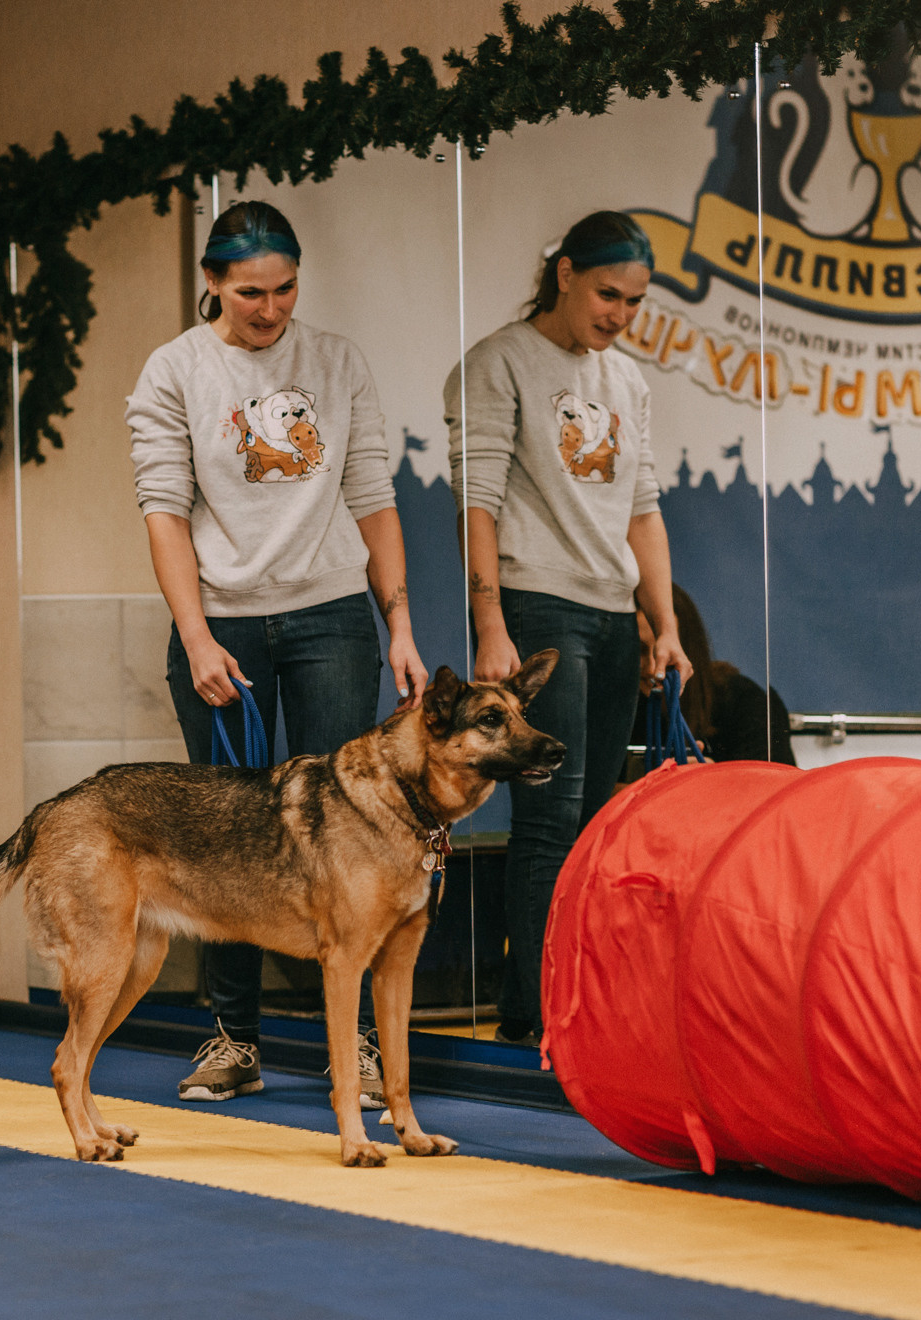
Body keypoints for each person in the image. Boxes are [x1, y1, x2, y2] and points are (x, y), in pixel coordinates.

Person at [127, 199, 424, 1108]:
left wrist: (399, 622)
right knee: (230, 840)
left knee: (355, 836)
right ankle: (234, 1039)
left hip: (331, 612)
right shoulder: (175, 369)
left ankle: (362, 1047)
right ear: (212, 284)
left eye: (287, 288)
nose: (271, 308)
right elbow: (163, 510)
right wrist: (197, 635)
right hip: (224, 623)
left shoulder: (335, 361)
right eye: (251, 291)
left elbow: (373, 492)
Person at [445, 210, 692, 1046]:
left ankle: (580, 1004)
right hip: (537, 603)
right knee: (548, 823)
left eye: (634, 301)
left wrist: (665, 625)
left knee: (595, 818)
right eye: (607, 293)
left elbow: (644, 511)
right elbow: (475, 504)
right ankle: (533, 1013)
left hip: (613, 612)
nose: (619, 314)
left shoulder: (627, 382)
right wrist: (490, 622)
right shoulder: (499, 363)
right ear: (565, 274)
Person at [635, 584, 798, 765]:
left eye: (667, 652)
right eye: (638, 650)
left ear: (689, 649)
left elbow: (778, 788)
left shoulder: (745, 703)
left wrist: (712, 782)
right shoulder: (616, 705)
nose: (652, 668)